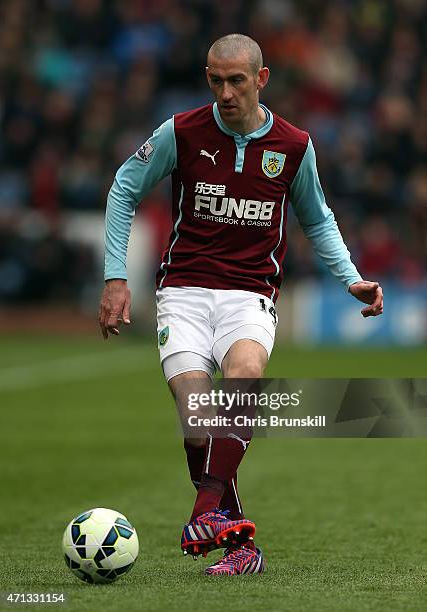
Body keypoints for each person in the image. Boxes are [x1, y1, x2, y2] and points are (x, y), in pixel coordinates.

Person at [98, 34, 383, 576]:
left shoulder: (294, 145)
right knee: (197, 418)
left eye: (236, 80)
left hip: (250, 294)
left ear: (262, 78)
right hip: (182, 290)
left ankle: (205, 509)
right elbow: (123, 188)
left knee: (246, 377)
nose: (225, 92)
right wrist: (115, 277)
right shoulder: (180, 132)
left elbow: (317, 218)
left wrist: (351, 278)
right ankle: (240, 543)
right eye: (215, 80)